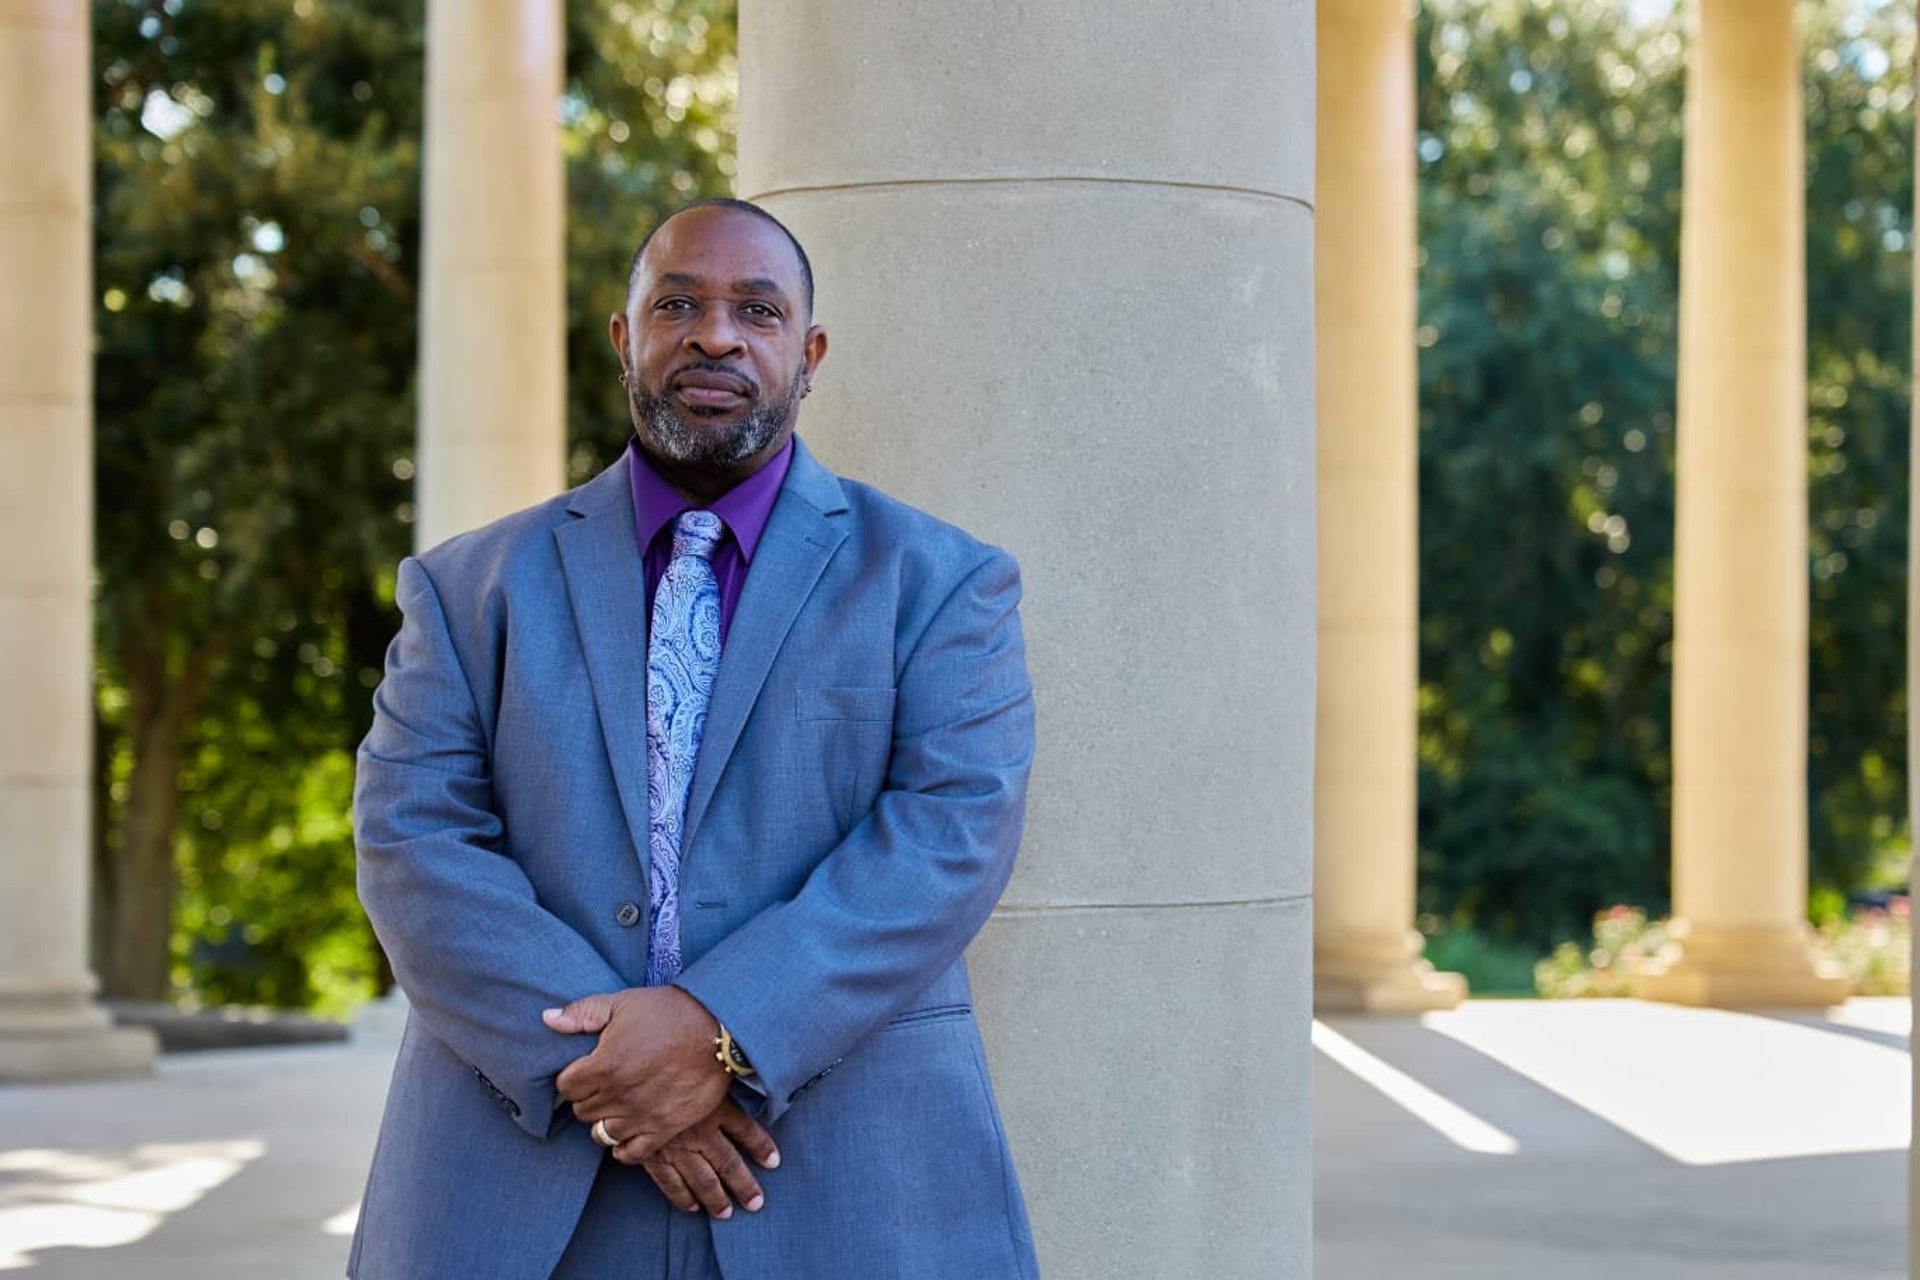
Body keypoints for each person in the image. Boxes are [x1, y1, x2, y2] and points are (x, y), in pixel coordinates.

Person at [349, 198, 1039, 1279]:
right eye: (678, 303)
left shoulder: (941, 582)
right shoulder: (466, 587)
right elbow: (411, 841)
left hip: (846, 1173)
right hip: (525, 1179)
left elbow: (952, 835)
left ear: (808, 356)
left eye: (755, 311)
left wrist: (721, 1027)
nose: (715, 334)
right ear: (626, 339)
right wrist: (622, 1070)